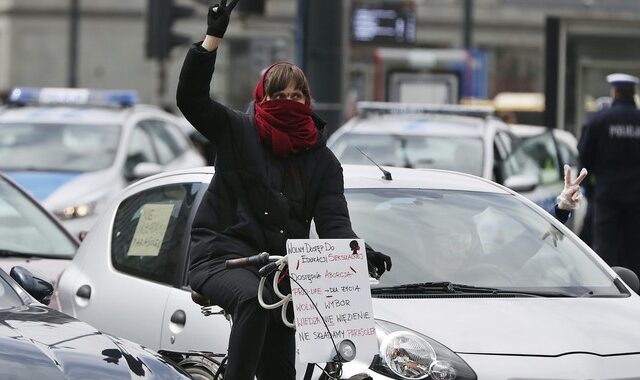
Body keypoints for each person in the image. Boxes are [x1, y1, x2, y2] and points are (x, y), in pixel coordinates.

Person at [175, 2, 392, 379]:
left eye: (297, 97)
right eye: (279, 96)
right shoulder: (238, 131)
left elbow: (334, 225)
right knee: (253, 303)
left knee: (281, 371)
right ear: (262, 99)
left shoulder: (323, 162)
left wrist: (361, 253)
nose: (289, 104)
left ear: (308, 102)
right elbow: (191, 99)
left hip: (282, 274)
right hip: (221, 257)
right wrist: (212, 39)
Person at [578, 73, 640, 275]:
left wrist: (593, 189)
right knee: (634, 249)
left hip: (607, 196)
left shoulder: (599, 120)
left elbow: (585, 157)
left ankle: (607, 291)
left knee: (605, 248)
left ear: (614, 92)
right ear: (632, 93)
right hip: (637, 198)